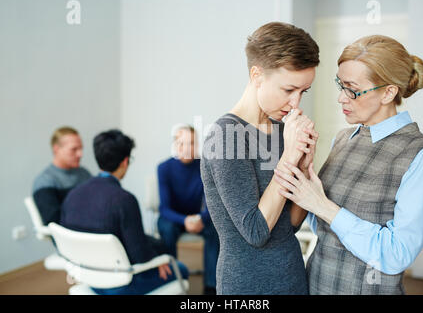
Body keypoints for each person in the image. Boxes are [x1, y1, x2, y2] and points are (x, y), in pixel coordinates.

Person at [273, 35, 423, 294]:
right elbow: (323, 227)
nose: (342, 98)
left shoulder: (422, 155)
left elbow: (396, 254)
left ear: (388, 92)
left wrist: (323, 205)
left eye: (352, 89)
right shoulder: (344, 138)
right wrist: (304, 168)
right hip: (316, 285)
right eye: (340, 85)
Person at [200, 22, 320, 294]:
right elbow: (256, 232)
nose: (296, 104)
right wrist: (289, 156)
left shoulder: (281, 130)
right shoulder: (225, 136)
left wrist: (304, 166)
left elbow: (290, 224)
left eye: (303, 92)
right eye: (288, 90)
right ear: (257, 75)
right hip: (247, 285)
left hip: (291, 277)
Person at [60, 129, 189, 295]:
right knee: (180, 269)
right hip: (120, 285)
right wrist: (158, 260)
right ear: (125, 161)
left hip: (87, 279)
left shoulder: (73, 195)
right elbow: (139, 255)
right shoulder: (124, 200)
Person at [157, 125, 219, 295]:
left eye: (192, 143)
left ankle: (210, 286)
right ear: (175, 145)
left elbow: (212, 203)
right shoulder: (164, 168)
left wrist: (201, 219)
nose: (187, 148)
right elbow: (164, 208)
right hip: (173, 218)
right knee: (166, 228)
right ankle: (172, 279)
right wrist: (185, 221)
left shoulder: (205, 166)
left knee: (215, 227)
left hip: (197, 218)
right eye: (182, 143)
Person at [32, 126, 91, 225]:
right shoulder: (45, 181)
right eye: (74, 149)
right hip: (68, 236)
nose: (80, 154)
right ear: (56, 149)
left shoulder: (83, 173)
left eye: (81, 148)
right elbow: (53, 220)